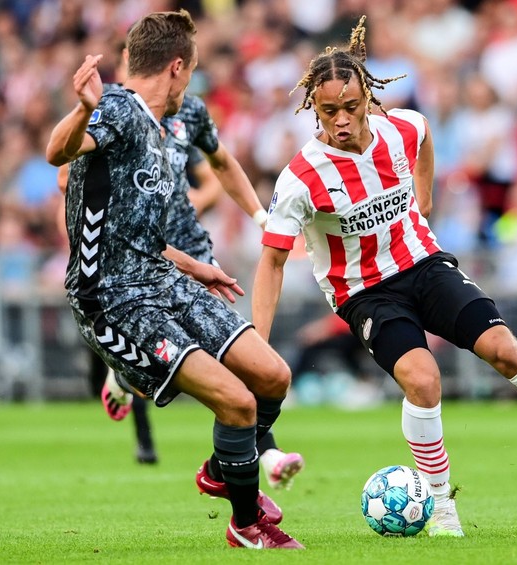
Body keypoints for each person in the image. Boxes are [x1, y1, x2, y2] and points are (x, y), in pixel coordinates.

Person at [252, 16, 517, 539]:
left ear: (368, 96)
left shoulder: (404, 127)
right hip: (366, 293)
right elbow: (273, 261)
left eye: (351, 107)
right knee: (422, 378)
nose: (342, 121)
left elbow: (425, 140)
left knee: (505, 349)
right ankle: (442, 511)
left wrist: (425, 196)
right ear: (314, 110)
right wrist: (258, 344)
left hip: (423, 262)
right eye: (329, 112)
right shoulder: (302, 177)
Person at [46, 10, 302, 549]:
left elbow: (135, 231)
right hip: (112, 299)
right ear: (177, 67)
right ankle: (246, 523)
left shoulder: (167, 128)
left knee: (272, 375)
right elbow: (57, 152)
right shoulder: (116, 107)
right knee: (237, 402)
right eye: (193, 72)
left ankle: (221, 468)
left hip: (163, 275)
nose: (193, 83)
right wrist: (83, 109)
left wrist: (195, 264)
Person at [91, 40, 306, 485]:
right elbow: (68, 172)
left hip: (191, 246)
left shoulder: (189, 113)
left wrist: (260, 215)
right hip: (138, 259)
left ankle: (256, 459)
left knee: (236, 359)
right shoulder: (117, 113)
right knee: (199, 365)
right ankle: (255, 459)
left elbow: (222, 163)